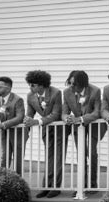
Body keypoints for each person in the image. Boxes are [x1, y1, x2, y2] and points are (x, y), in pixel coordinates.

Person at [62, 70, 106, 196]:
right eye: (70, 83)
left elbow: (96, 112)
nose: (71, 86)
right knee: (80, 154)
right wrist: (67, 118)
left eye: (74, 84)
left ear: (82, 84)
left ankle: (92, 184)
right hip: (78, 128)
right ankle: (82, 184)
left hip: (93, 125)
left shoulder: (95, 91)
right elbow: (64, 112)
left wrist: (80, 119)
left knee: (92, 153)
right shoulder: (67, 92)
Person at [23, 70, 65, 198]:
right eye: (29, 84)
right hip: (45, 129)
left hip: (58, 129)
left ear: (42, 85)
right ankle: (46, 186)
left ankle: (55, 187)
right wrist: (27, 122)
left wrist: (37, 121)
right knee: (48, 158)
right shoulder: (30, 96)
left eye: (33, 85)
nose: (30, 87)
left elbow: (56, 114)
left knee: (57, 158)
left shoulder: (56, 92)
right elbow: (29, 114)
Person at [0, 76, 28, 176]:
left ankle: (18, 183)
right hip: (5, 132)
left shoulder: (18, 100)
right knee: (4, 157)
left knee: (18, 159)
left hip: (19, 133)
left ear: (8, 88)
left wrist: (0, 125)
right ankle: (3, 181)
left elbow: (19, 118)